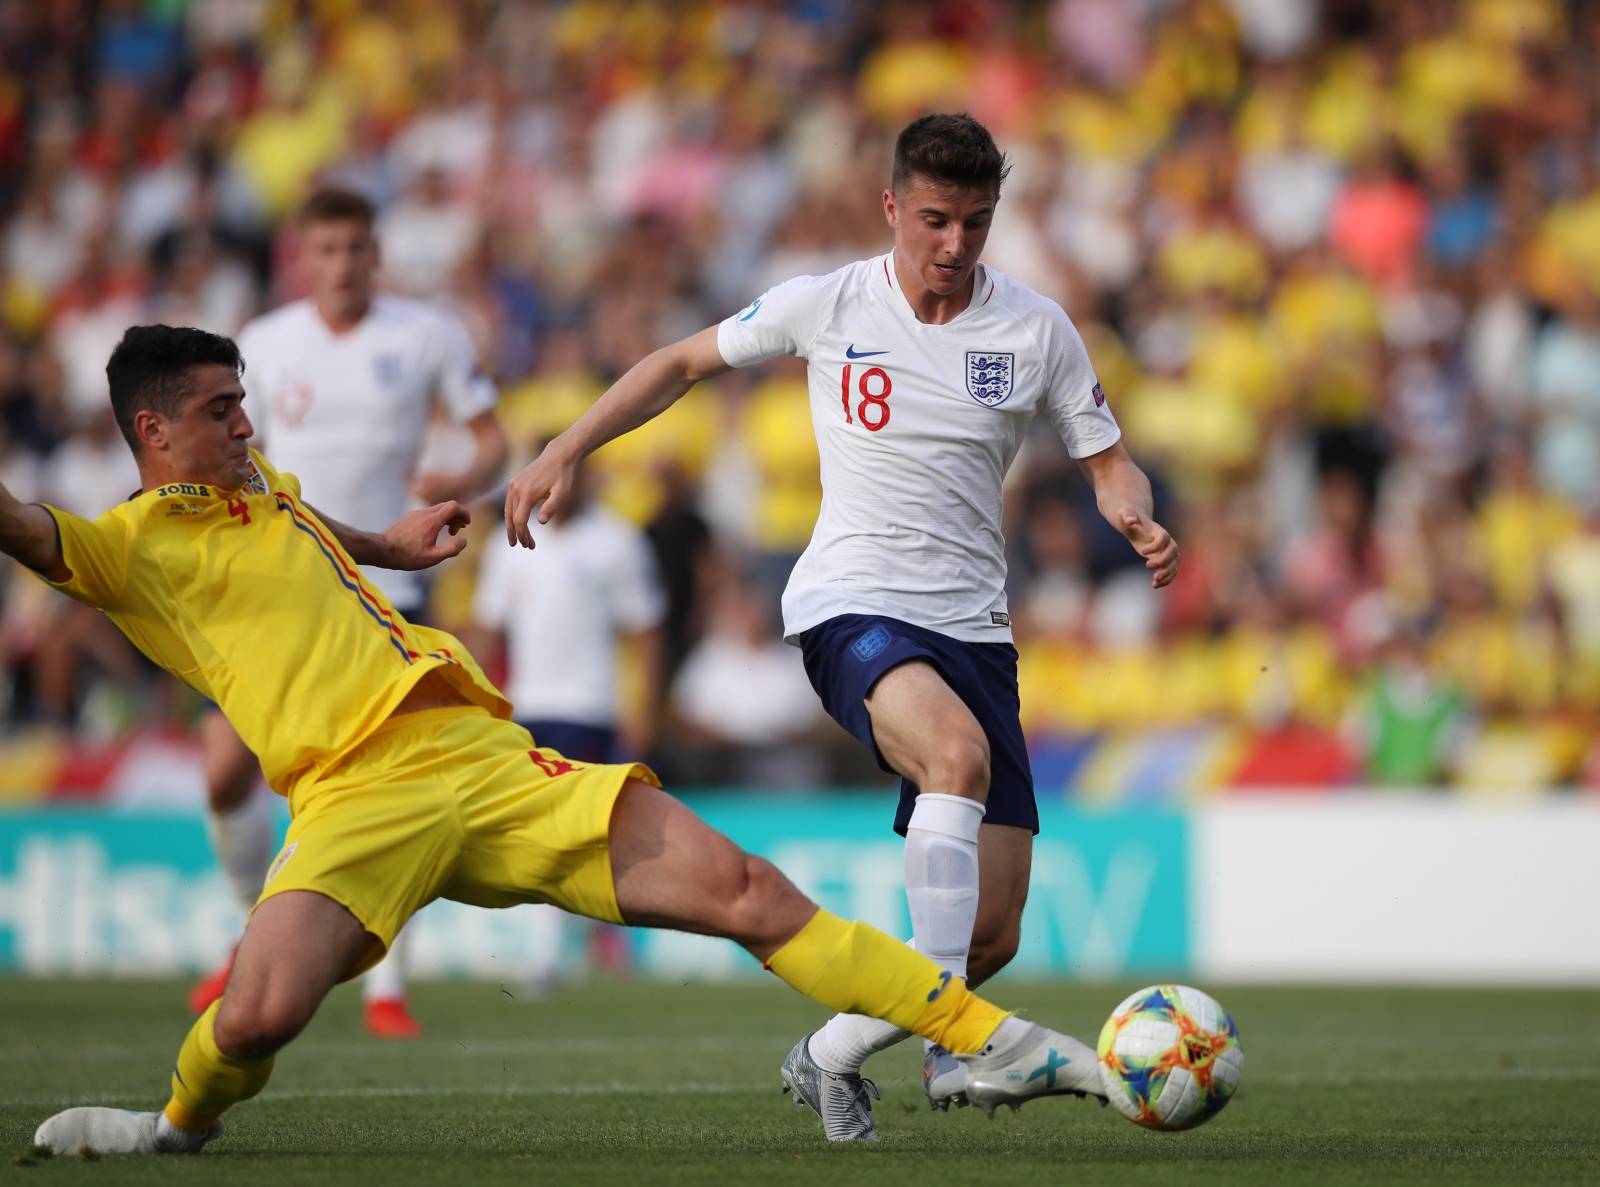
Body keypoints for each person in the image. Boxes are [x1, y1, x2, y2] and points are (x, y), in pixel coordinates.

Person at [10, 325, 1105, 1156]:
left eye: (243, 404)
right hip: (348, 797)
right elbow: (24, 527)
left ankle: (985, 1034)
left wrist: (387, 542)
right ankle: (172, 1127)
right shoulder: (124, 549)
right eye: (217, 411)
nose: (244, 426)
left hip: (478, 753)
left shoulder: (265, 493)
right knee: (252, 1019)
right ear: (153, 432)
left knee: (749, 888)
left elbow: (311, 531)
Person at [504, 113, 1179, 1141]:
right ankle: (957, 1046)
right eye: (936, 221)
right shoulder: (829, 302)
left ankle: (828, 1052)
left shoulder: (1037, 327)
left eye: (977, 224)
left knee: (986, 932)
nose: (954, 246)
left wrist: (1126, 505)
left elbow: (1105, 455)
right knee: (952, 757)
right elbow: (680, 362)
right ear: (892, 207)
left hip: (975, 633)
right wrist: (565, 445)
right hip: (850, 603)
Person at [188, 187, 509, 1038]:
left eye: (356, 249)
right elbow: (231, 452)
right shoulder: (263, 342)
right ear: (303, 255)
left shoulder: (425, 333)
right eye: (326, 249)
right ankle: (249, 923)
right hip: (280, 583)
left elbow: (493, 437)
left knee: (383, 779)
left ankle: (386, 989)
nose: (342, 265)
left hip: (389, 584)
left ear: (377, 253)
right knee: (225, 770)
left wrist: (453, 482)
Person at [470, 453, 665, 989]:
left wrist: (642, 710)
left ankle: (548, 957)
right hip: (526, 706)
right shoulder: (507, 544)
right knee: (547, 832)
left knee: (565, 830)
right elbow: (489, 629)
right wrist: (480, 705)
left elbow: (644, 630)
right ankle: (572, 941)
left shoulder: (617, 540)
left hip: (589, 706)